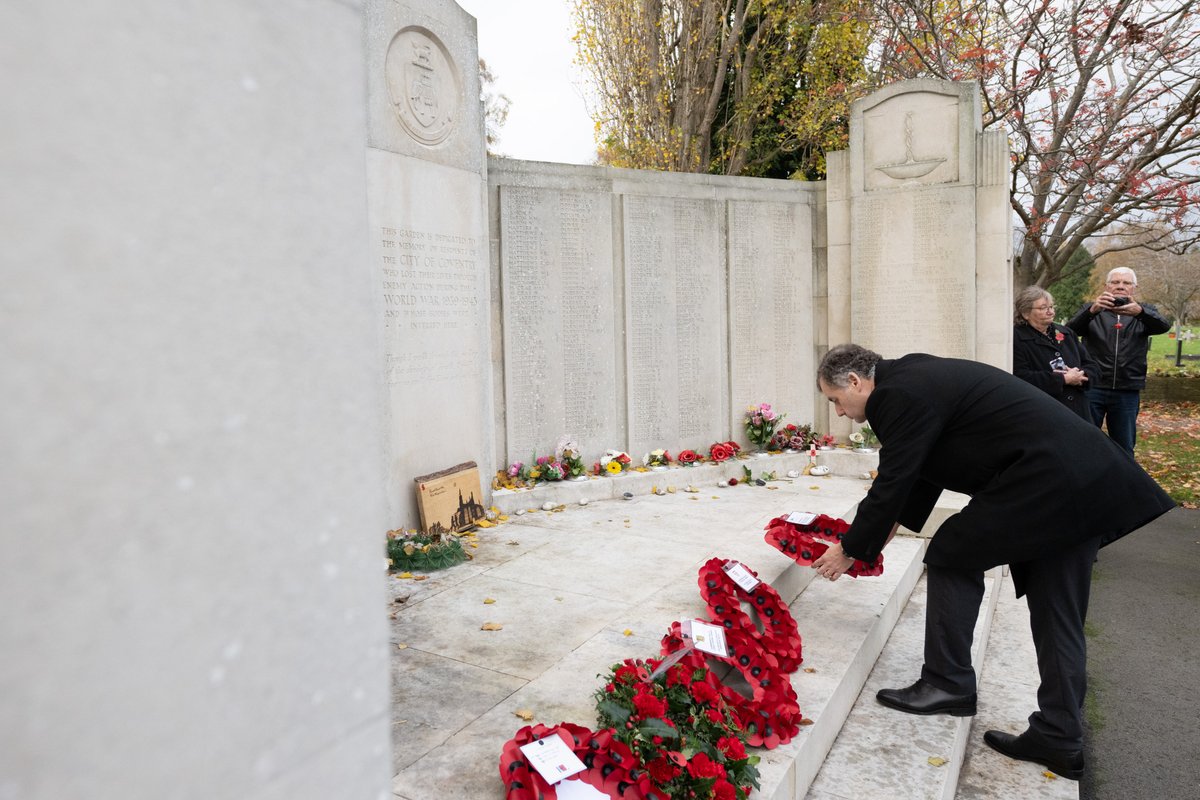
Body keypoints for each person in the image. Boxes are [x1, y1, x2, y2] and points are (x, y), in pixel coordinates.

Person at [811, 344, 1173, 780]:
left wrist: (850, 548)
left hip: (1049, 480)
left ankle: (947, 681)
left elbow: (894, 479)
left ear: (855, 381)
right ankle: (1059, 736)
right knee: (1056, 608)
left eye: (835, 400)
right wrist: (869, 546)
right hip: (1082, 479)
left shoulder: (895, 394)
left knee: (950, 552)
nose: (839, 412)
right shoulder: (917, 378)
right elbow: (916, 484)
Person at [1065, 267, 1171, 452]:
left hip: (1127, 389)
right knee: (1084, 441)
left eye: (1126, 283)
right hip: (1093, 386)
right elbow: (1070, 331)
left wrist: (1140, 313)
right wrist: (1092, 311)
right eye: (1115, 282)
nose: (1120, 287)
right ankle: (1085, 479)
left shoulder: (1144, 311)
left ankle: (1123, 481)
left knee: (1124, 445)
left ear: (1134, 288)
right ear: (1106, 286)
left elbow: (1163, 326)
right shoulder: (1092, 309)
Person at [1012, 286, 1099, 419]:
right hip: (1042, 414)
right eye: (1043, 308)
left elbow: (1093, 367)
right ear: (1025, 313)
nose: (1050, 312)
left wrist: (1081, 376)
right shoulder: (1016, 338)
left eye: (1052, 307)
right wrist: (1063, 379)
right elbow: (1020, 377)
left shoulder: (1067, 333)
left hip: (1077, 412)